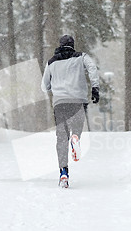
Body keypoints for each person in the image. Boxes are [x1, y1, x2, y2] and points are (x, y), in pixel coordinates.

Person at [41, 35, 100, 188]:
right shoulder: (81, 57)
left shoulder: (51, 62)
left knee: (61, 138)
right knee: (77, 125)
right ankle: (76, 137)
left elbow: (44, 85)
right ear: (73, 45)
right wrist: (95, 88)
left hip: (60, 102)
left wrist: (52, 87)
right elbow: (92, 68)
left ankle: (63, 172)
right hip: (78, 99)